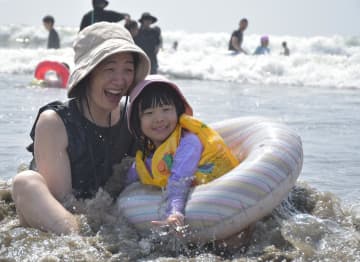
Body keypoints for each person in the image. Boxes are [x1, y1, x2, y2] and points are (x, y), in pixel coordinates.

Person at [11, 22, 150, 235]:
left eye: (128, 70)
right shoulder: (55, 122)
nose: (120, 80)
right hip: (58, 218)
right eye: (110, 68)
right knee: (25, 182)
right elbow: (63, 202)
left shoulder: (133, 116)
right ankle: (87, 251)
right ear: (88, 72)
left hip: (110, 215)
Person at [125, 75, 239, 228]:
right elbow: (130, 181)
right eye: (149, 113)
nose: (159, 118)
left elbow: (180, 180)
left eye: (166, 109)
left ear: (178, 112)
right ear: (137, 121)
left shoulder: (188, 143)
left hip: (221, 202)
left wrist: (174, 212)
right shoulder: (147, 158)